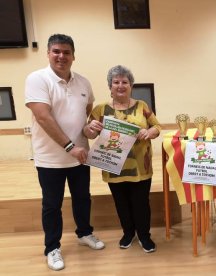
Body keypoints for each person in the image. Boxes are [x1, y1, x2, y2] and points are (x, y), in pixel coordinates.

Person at [25, 34, 105, 271]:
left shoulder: (83, 83)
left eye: (66, 52)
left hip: (81, 156)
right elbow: (42, 116)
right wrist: (70, 146)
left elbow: (87, 115)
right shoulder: (37, 79)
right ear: (48, 53)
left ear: (73, 56)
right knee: (52, 205)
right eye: (56, 51)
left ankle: (84, 233)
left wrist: (90, 129)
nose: (61, 56)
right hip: (50, 159)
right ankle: (52, 248)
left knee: (83, 198)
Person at [84, 65, 161, 253]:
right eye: (116, 82)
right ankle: (128, 233)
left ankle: (144, 235)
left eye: (124, 82)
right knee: (121, 203)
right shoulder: (100, 109)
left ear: (131, 85)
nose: (120, 85)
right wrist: (91, 127)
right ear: (110, 86)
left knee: (141, 203)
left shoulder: (142, 107)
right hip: (112, 166)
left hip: (140, 168)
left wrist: (149, 132)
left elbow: (157, 127)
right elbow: (88, 133)